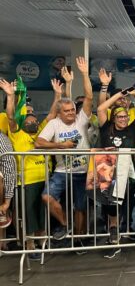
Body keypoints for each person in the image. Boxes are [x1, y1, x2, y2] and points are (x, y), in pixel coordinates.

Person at [0, 78, 62, 259]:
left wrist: (58, 94)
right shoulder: (16, 132)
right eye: (28, 117)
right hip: (26, 182)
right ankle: (29, 244)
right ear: (23, 121)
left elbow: (51, 115)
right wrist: (10, 96)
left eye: (34, 117)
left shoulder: (42, 131)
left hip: (44, 178)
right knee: (29, 215)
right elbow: (11, 116)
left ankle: (42, 241)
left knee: (43, 214)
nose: (32, 120)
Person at [36, 56, 93, 240]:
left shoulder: (81, 119)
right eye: (67, 111)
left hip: (83, 170)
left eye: (72, 110)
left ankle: (79, 238)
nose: (71, 113)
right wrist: (61, 145)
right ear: (59, 113)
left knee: (81, 207)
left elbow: (89, 97)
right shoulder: (53, 123)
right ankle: (65, 224)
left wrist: (84, 74)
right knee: (46, 197)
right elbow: (39, 142)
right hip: (62, 171)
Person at [96, 86, 135, 244]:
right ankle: (113, 228)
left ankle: (123, 228)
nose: (124, 119)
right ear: (114, 118)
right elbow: (101, 108)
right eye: (120, 117)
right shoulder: (106, 128)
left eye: (125, 117)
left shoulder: (131, 130)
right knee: (110, 203)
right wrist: (120, 94)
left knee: (127, 201)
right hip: (107, 172)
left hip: (126, 173)